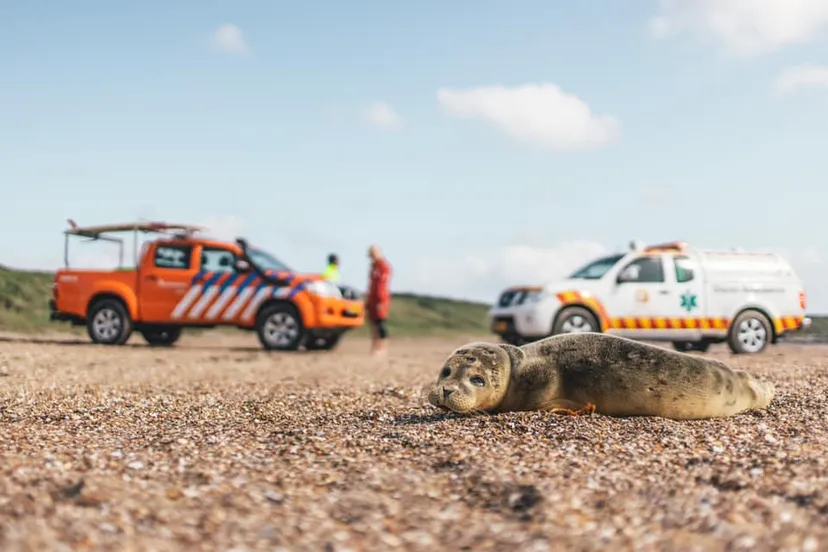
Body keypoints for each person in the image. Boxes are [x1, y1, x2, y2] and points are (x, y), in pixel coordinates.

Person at [365, 244, 391, 356]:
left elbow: (382, 284)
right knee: (373, 324)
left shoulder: (384, 267)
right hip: (372, 298)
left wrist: (380, 300)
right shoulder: (373, 267)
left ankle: (383, 347)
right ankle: (375, 346)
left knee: (380, 323)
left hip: (380, 298)